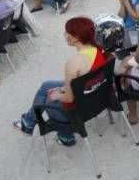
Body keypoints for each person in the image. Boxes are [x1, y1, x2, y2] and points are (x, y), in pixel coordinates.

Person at [12, 17, 109, 146]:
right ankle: (29, 123)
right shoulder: (100, 51)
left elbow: (69, 99)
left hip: (78, 111)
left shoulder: (74, 63)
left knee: (46, 98)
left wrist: (56, 95)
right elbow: (84, 80)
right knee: (47, 85)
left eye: (66, 32)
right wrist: (62, 88)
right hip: (97, 99)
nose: (64, 34)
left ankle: (64, 136)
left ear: (75, 38)